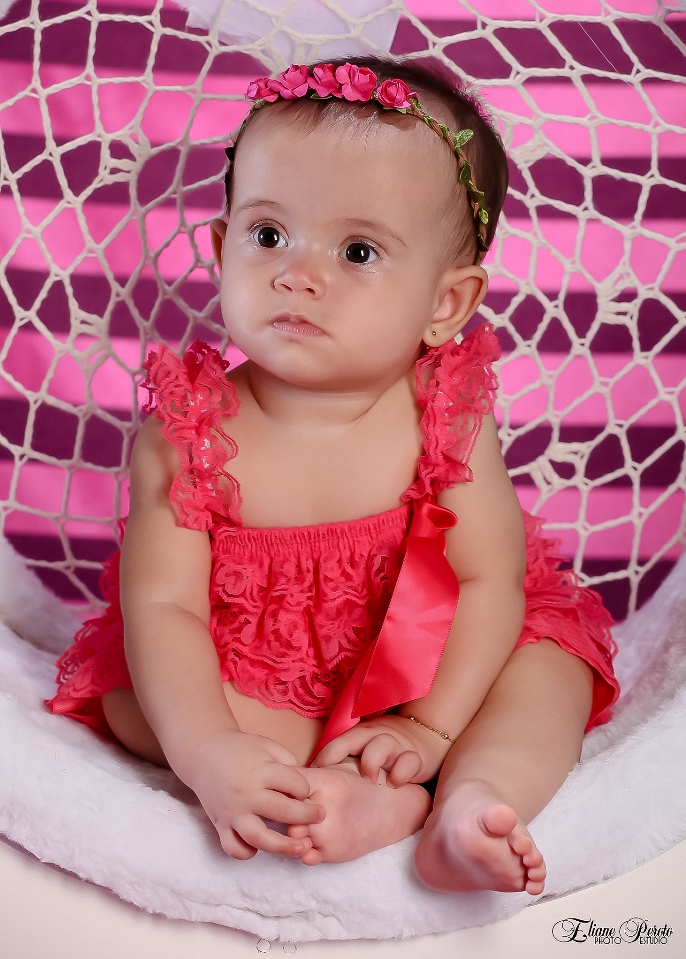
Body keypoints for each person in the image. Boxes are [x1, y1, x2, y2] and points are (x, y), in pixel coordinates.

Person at [47, 56, 619, 895]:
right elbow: (164, 607)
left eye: (357, 250)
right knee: (149, 706)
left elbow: (486, 581)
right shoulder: (190, 429)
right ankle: (362, 796)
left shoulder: (446, 413)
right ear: (221, 247)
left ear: (446, 305)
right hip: (261, 669)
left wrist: (429, 728)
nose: (297, 273)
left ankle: (472, 798)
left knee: (548, 671)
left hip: (444, 656)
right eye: (268, 235)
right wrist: (210, 751)